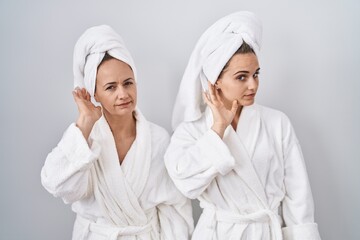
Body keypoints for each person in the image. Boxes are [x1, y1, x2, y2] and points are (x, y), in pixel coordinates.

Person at [164, 11, 321, 240]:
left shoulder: (277, 123)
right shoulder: (191, 130)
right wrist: (218, 129)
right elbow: (186, 185)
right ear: (215, 80)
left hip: (266, 232)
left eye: (256, 74)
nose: (253, 85)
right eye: (241, 77)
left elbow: (298, 198)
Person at [41, 25, 193, 240]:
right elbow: (58, 185)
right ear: (94, 93)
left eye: (128, 83)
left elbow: (173, 207)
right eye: (111, 87)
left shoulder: (158, 139)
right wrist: (85, 122)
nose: (123, 94)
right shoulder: (85, 138)